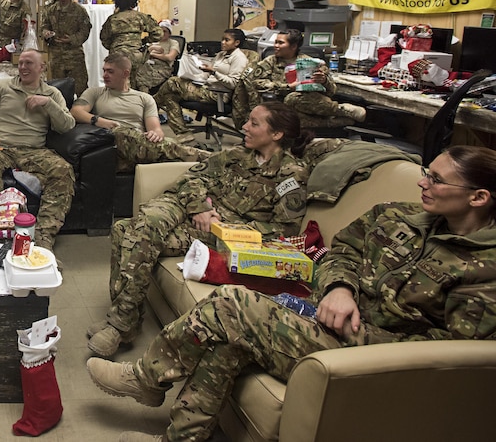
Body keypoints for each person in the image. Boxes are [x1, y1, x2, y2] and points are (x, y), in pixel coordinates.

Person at [87, 145, 496, 442]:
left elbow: (457, 356)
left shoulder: (485, 270)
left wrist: (363, 334)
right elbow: (343, 250)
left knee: (235, 304)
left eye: (437, 180)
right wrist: (339, 287)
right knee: (228, 343)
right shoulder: (400, 214)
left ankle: (146, 378)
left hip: (372, 355)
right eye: (426, 171)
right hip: (326, 314)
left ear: (478, 197)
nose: (423, 183)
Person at [86, 101, 310, 357]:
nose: (244, 126)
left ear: (277, 134)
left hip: (223, 232)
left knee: (126, 231)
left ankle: (122, 322)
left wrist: (225, 227)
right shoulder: (238, 154)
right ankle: (123, 322)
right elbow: (192, 177)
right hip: (192, 209)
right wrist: (201, 207)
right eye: (247, 120)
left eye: (254, 123)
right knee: (147, 223)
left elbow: (284, 230)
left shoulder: (290, 174)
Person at [0, 50, 76, 257]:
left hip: (35, 150)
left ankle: (44, 239)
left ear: (42, 68)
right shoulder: (3, 86)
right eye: (20, 63)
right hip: (2, 148)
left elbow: (67, 126)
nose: (23, 68)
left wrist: (48, 103)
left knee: (63, 170)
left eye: (29, 63)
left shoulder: (52, 94)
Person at [71, 54, 209, 171]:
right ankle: (206, 156)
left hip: (140, 146)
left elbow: (156, 129)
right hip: (112, 143)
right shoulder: (95, 93)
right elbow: (76, 111)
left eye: (110, 71)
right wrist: (100, 121)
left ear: (125, 73)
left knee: (184, 166)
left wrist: (155, 134)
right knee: (120, 133)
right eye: (104, 70)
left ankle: (208, 160)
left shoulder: (144, 98)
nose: (105, 75)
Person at [231, 29, 365, 128]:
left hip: (310, 102)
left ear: (293, 46)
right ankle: (337, 117)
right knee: (290, 105)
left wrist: (323, 81)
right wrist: (287, 87)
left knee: (297, 101)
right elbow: (258, 83)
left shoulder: (311, 62)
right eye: (275, 42)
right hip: (280, 104)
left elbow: (332, 91)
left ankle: (340, 112)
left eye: (280, 43)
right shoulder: (270, 62)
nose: (275, 46)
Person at [154, 29, 250, 141]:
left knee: (173, 82)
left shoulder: (239, 58)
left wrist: (214, 72)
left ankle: (152, 105)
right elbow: (208, 76)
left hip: (217, 94)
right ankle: (183, 133)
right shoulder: (221, 54)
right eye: (222, 39)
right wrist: (196, 77)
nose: (222, 42)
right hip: (206, 87)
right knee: (169, 97)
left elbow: (233, 83)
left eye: (227, 40)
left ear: (236, 43)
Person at [100, 0, 163, 90]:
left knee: (118, 86)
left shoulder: (112, 19)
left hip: (117, 56)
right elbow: (158, 33)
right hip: (136, 55)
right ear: (134, 2)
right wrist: (144, 41)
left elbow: (104, 38)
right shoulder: (141, 17)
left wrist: (114, 46)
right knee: (136, 85)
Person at [41, 0, 92, 95]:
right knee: (58, 89)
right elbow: (44, 27)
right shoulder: (51, 10)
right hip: (56, 56)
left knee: (80, 89)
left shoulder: (79, 11)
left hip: (75, 56)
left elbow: (85, 31)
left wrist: (72, 39)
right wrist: (46, 33)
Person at [134, 20, 181, 92]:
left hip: (162, 68)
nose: (162, 33)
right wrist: (151, 50)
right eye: (161, 31)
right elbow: (144, 55)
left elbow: (170, 57)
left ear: (169, 33)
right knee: (134, 72)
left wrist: (153, 54)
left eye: (165, 31)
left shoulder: (173, 43)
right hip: (148, 64)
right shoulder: (153, 42)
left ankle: (145, 98)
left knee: (143, 79)